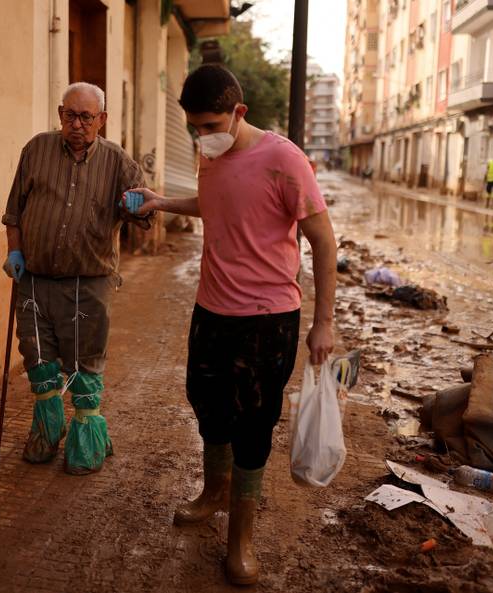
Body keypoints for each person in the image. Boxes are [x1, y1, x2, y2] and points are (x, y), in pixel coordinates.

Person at [123, 65, 336, 586]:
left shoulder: (283, 159)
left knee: (253, 426)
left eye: (211, 124)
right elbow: (217, 205)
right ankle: (213, 491)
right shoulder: (210, 153)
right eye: (196, 127)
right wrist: (163, 201)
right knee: (206, 404)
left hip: (268, 322)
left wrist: (324, 322)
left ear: (239, 112)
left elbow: (324, 242)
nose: (203, 136)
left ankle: (241, 537)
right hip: (211, 312)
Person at [1, 82, 151, 475]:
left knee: (85, 367)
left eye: (87, 117)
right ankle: (47, 433)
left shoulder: (119, 162)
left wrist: (137, 207)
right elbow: (14, 212)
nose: (78, 124)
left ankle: (87, 440)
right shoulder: (36, 150)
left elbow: (146, 214)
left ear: (102, 120)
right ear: (59, 114)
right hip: (34, 279)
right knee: (38, 360)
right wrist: (14, 251)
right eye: (71, 115)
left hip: (90, 283)